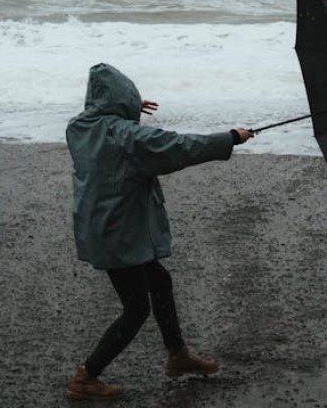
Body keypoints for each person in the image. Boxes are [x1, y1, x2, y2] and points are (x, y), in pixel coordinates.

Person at [63, 63, 254, 401]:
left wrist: (127, 109)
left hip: (102, 226)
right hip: (119, 234)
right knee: (136, 309)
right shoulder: (127, 137)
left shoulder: (79, 128)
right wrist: (230, 139)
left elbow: (108, 126)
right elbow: (177, 147)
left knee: (160, 281)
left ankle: (177, 355)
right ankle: (85, 377)